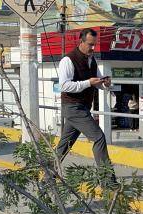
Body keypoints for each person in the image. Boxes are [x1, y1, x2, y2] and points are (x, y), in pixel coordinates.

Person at [55, 28, 115, 183]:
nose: (93, 48)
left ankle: (48, 174)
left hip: (83, 107)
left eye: (94, 45)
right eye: (90, 44)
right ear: (80, 42)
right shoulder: (68, 60)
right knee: (99, 137)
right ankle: (109, 182)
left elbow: (98, 82)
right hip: (73, 107)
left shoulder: (92, 60)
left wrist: (105, 83)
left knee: (64, 145)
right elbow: (64, 86)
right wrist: (88, 83)